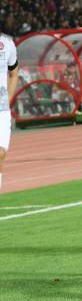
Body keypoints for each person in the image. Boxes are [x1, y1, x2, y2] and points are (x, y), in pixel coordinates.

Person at [0, 33, 19, 189]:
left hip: (2, 109)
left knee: (1, 153)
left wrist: (8, 99)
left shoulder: (7, 43)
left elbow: (13, 74)